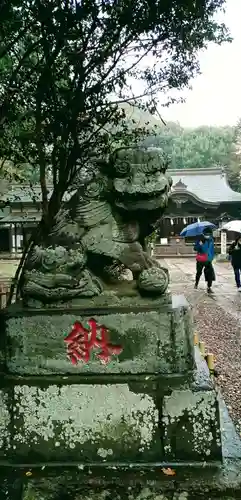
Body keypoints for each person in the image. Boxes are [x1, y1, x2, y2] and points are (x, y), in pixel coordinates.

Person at [194, 228, 215, 294]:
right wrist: (199, 244)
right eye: (206, 234)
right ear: (203, 234)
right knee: (199, 272)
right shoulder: (200, 239)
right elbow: (195, 248)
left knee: (210, 274)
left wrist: (212, 257)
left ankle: (209, 287)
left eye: (209, 234)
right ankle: (196, 283)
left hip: (208, 260)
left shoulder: (211, 239)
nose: (207, 235)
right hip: (201, 259)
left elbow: (212, 249)